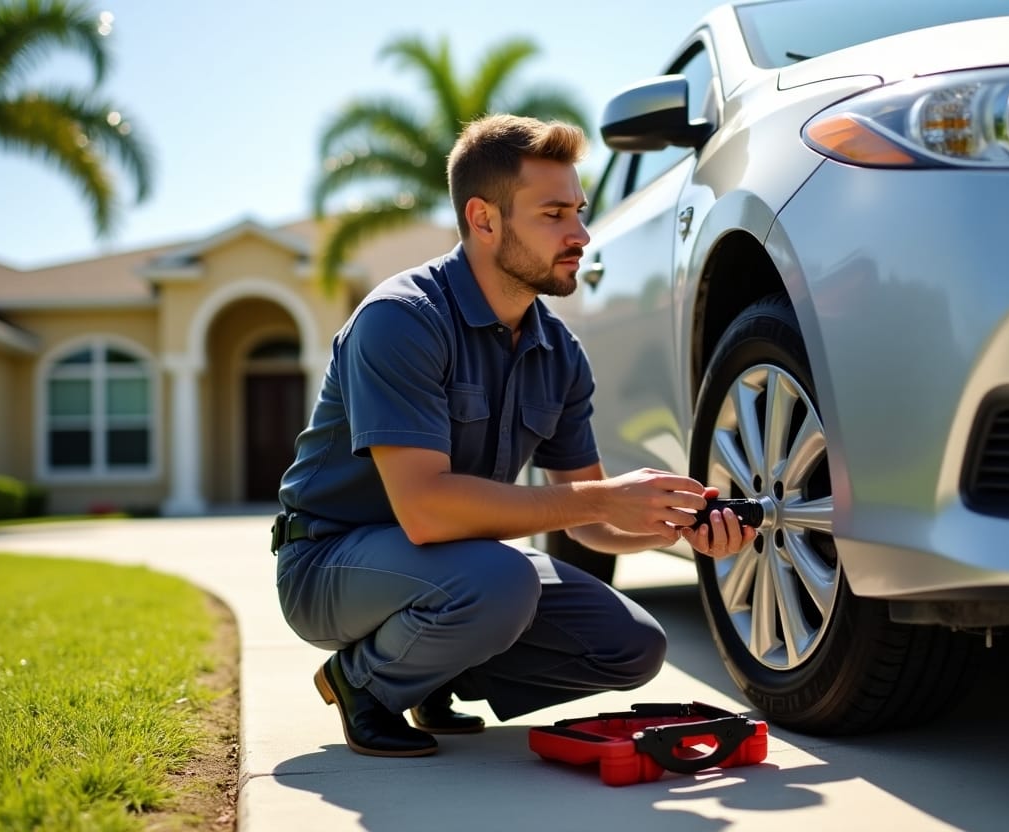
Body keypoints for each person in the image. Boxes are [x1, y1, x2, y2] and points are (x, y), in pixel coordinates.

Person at [273, 114, 757, 758]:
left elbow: (590, 520)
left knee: (634, 646)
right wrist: (602, 499)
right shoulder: (402, 320)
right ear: (484, 220)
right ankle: (363, 682)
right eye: (554, 214)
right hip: (329, 564)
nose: (581, 234)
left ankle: (430, 671)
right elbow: (425, 511)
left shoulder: (559, 352)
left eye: (580, 212)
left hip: (464, 568)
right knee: (503, 582)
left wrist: (671, 524)